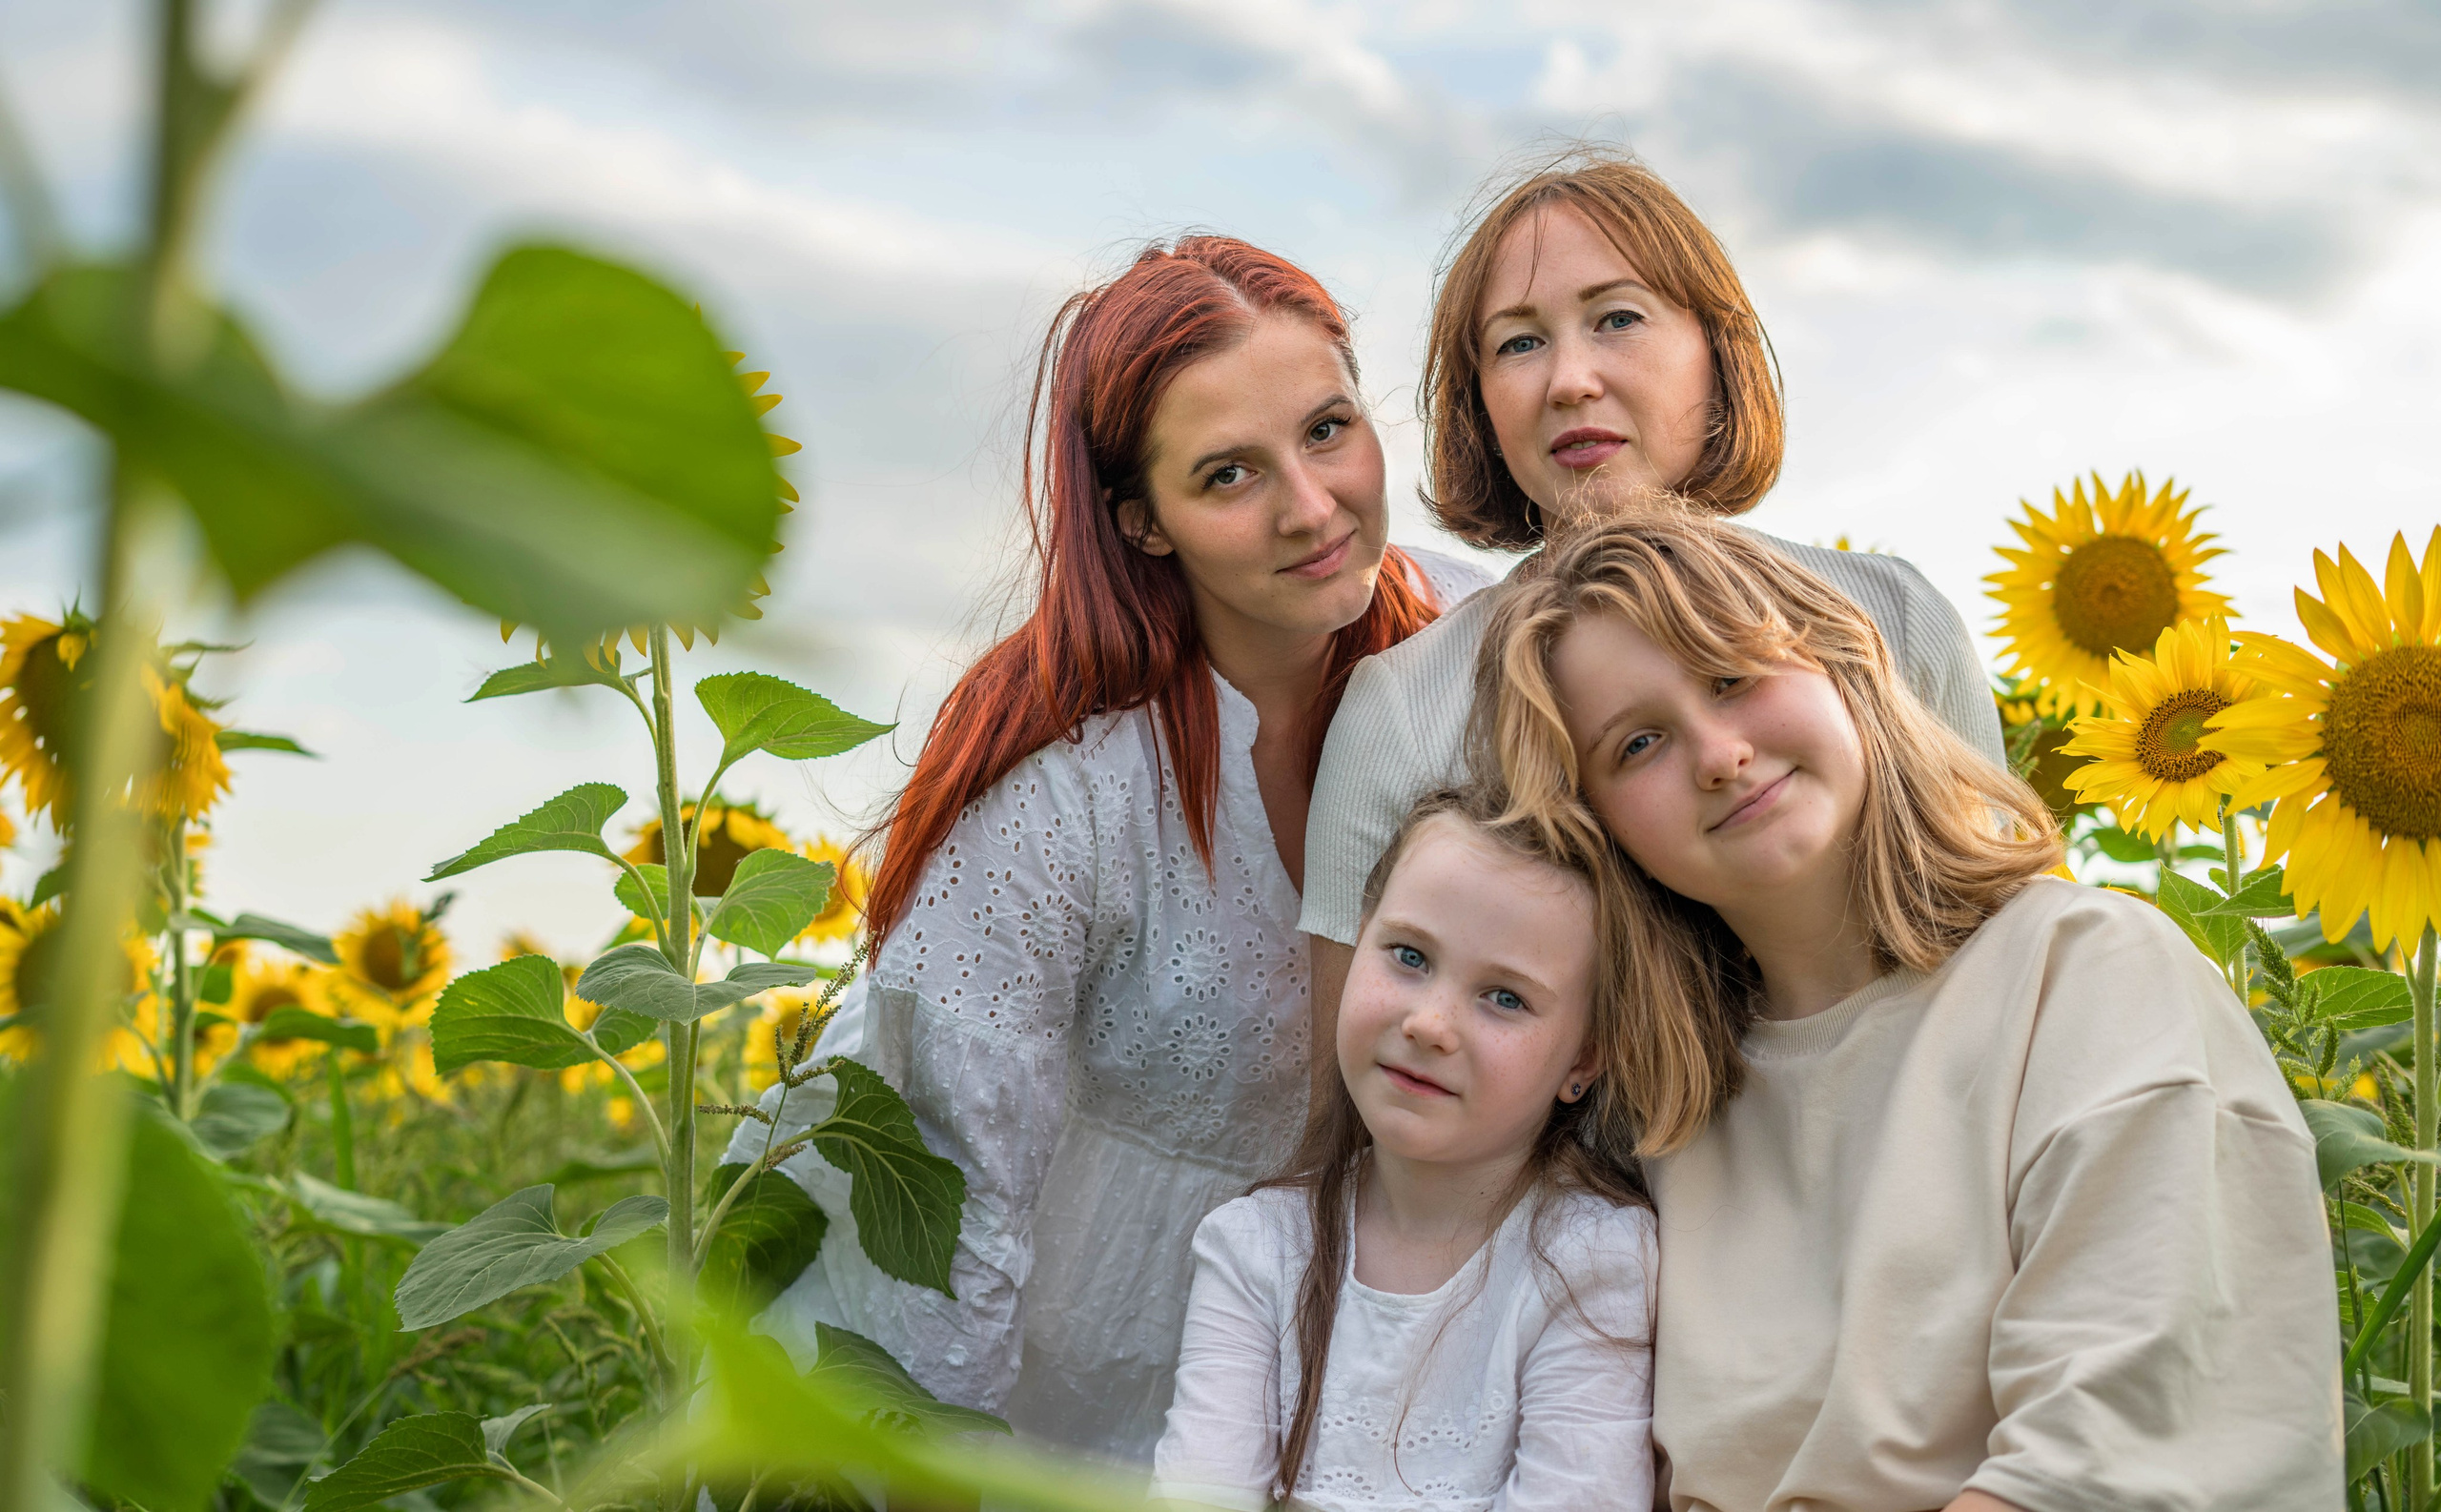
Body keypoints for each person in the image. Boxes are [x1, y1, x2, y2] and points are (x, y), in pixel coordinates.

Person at [728, 236, 1492, 1461]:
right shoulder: (1060, 788)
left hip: (1305, 1347)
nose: (1312, 506)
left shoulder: (1470, 650)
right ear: (1142, 522)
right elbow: (950, 1213)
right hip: (1023, 1353)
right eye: (1229, 475)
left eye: (1329, 428)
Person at [1477, 507, 2343, 1510]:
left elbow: (2110, 1467)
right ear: (1599, 827)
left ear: (1842, 663)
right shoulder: (1661, 1113)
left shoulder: (2089, 977)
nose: (1717, 753)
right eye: (1637, 743)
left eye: (1732, 676)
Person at [1298, 149, 2007, 1073]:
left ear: (1715, 348)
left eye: (1617, 318)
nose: (1570, 379)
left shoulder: (1894, 616)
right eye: (1518, 342)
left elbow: (2004, 963)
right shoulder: (1401, 706)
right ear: (1478, 404)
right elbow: (1352, 1089)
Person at [1151, 787, 1655, 1512]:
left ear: (1585, 1060)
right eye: (1410, 955)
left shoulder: (1592, 1261)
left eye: (1505, 997)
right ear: (1359, 944)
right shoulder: (1258, 1248)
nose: (1431, 1023)